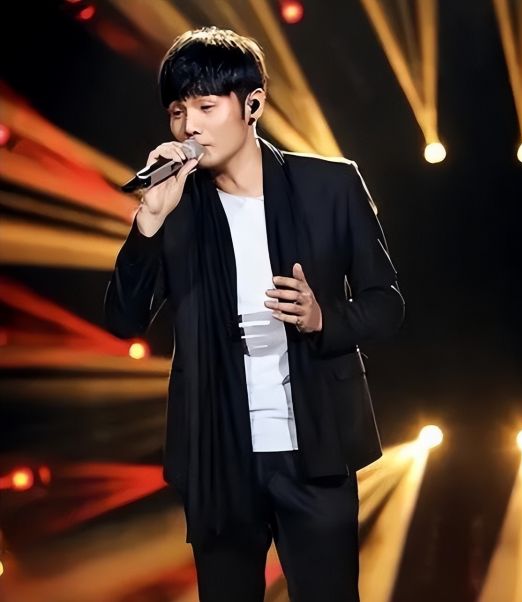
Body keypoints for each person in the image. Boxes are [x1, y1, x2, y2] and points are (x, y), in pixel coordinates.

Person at [104, 26, 405, 602]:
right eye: (177, 111)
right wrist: (150, 221)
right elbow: (123, 319)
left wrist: (322, 318)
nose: (188, 127)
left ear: (253, 105)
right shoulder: (177, 207)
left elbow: (386, 304)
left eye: (205, 106)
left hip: (315, 451)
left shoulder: (330, 185)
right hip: (217, 455)